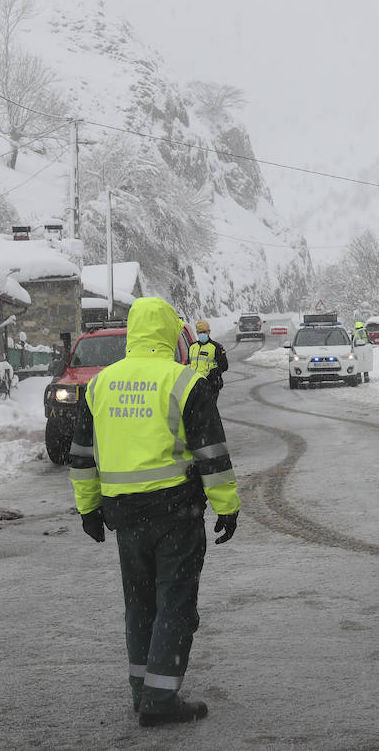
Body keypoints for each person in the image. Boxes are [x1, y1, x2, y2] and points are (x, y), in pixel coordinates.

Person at [68, 296, 240, 727]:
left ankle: (142, 689)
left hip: (123, 515)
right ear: (169, 333)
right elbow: (211, 454)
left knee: (139, 602)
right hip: (174, 511)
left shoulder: (100, 385)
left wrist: (88, 509)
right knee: (175, 603)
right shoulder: (185, 383)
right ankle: (160, 701)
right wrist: (227, 506)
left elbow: (82, 455)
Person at [188, 319, 228, 393]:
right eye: (200, 332)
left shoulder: (216, 347)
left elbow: (224, 366)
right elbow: (188, 364)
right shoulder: (192, 347)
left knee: (209, 405)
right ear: (197, 332)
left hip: (210, 385)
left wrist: (213, 374)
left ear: (209, 332)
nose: (202, 334)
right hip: (194, 385)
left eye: (204, 332)